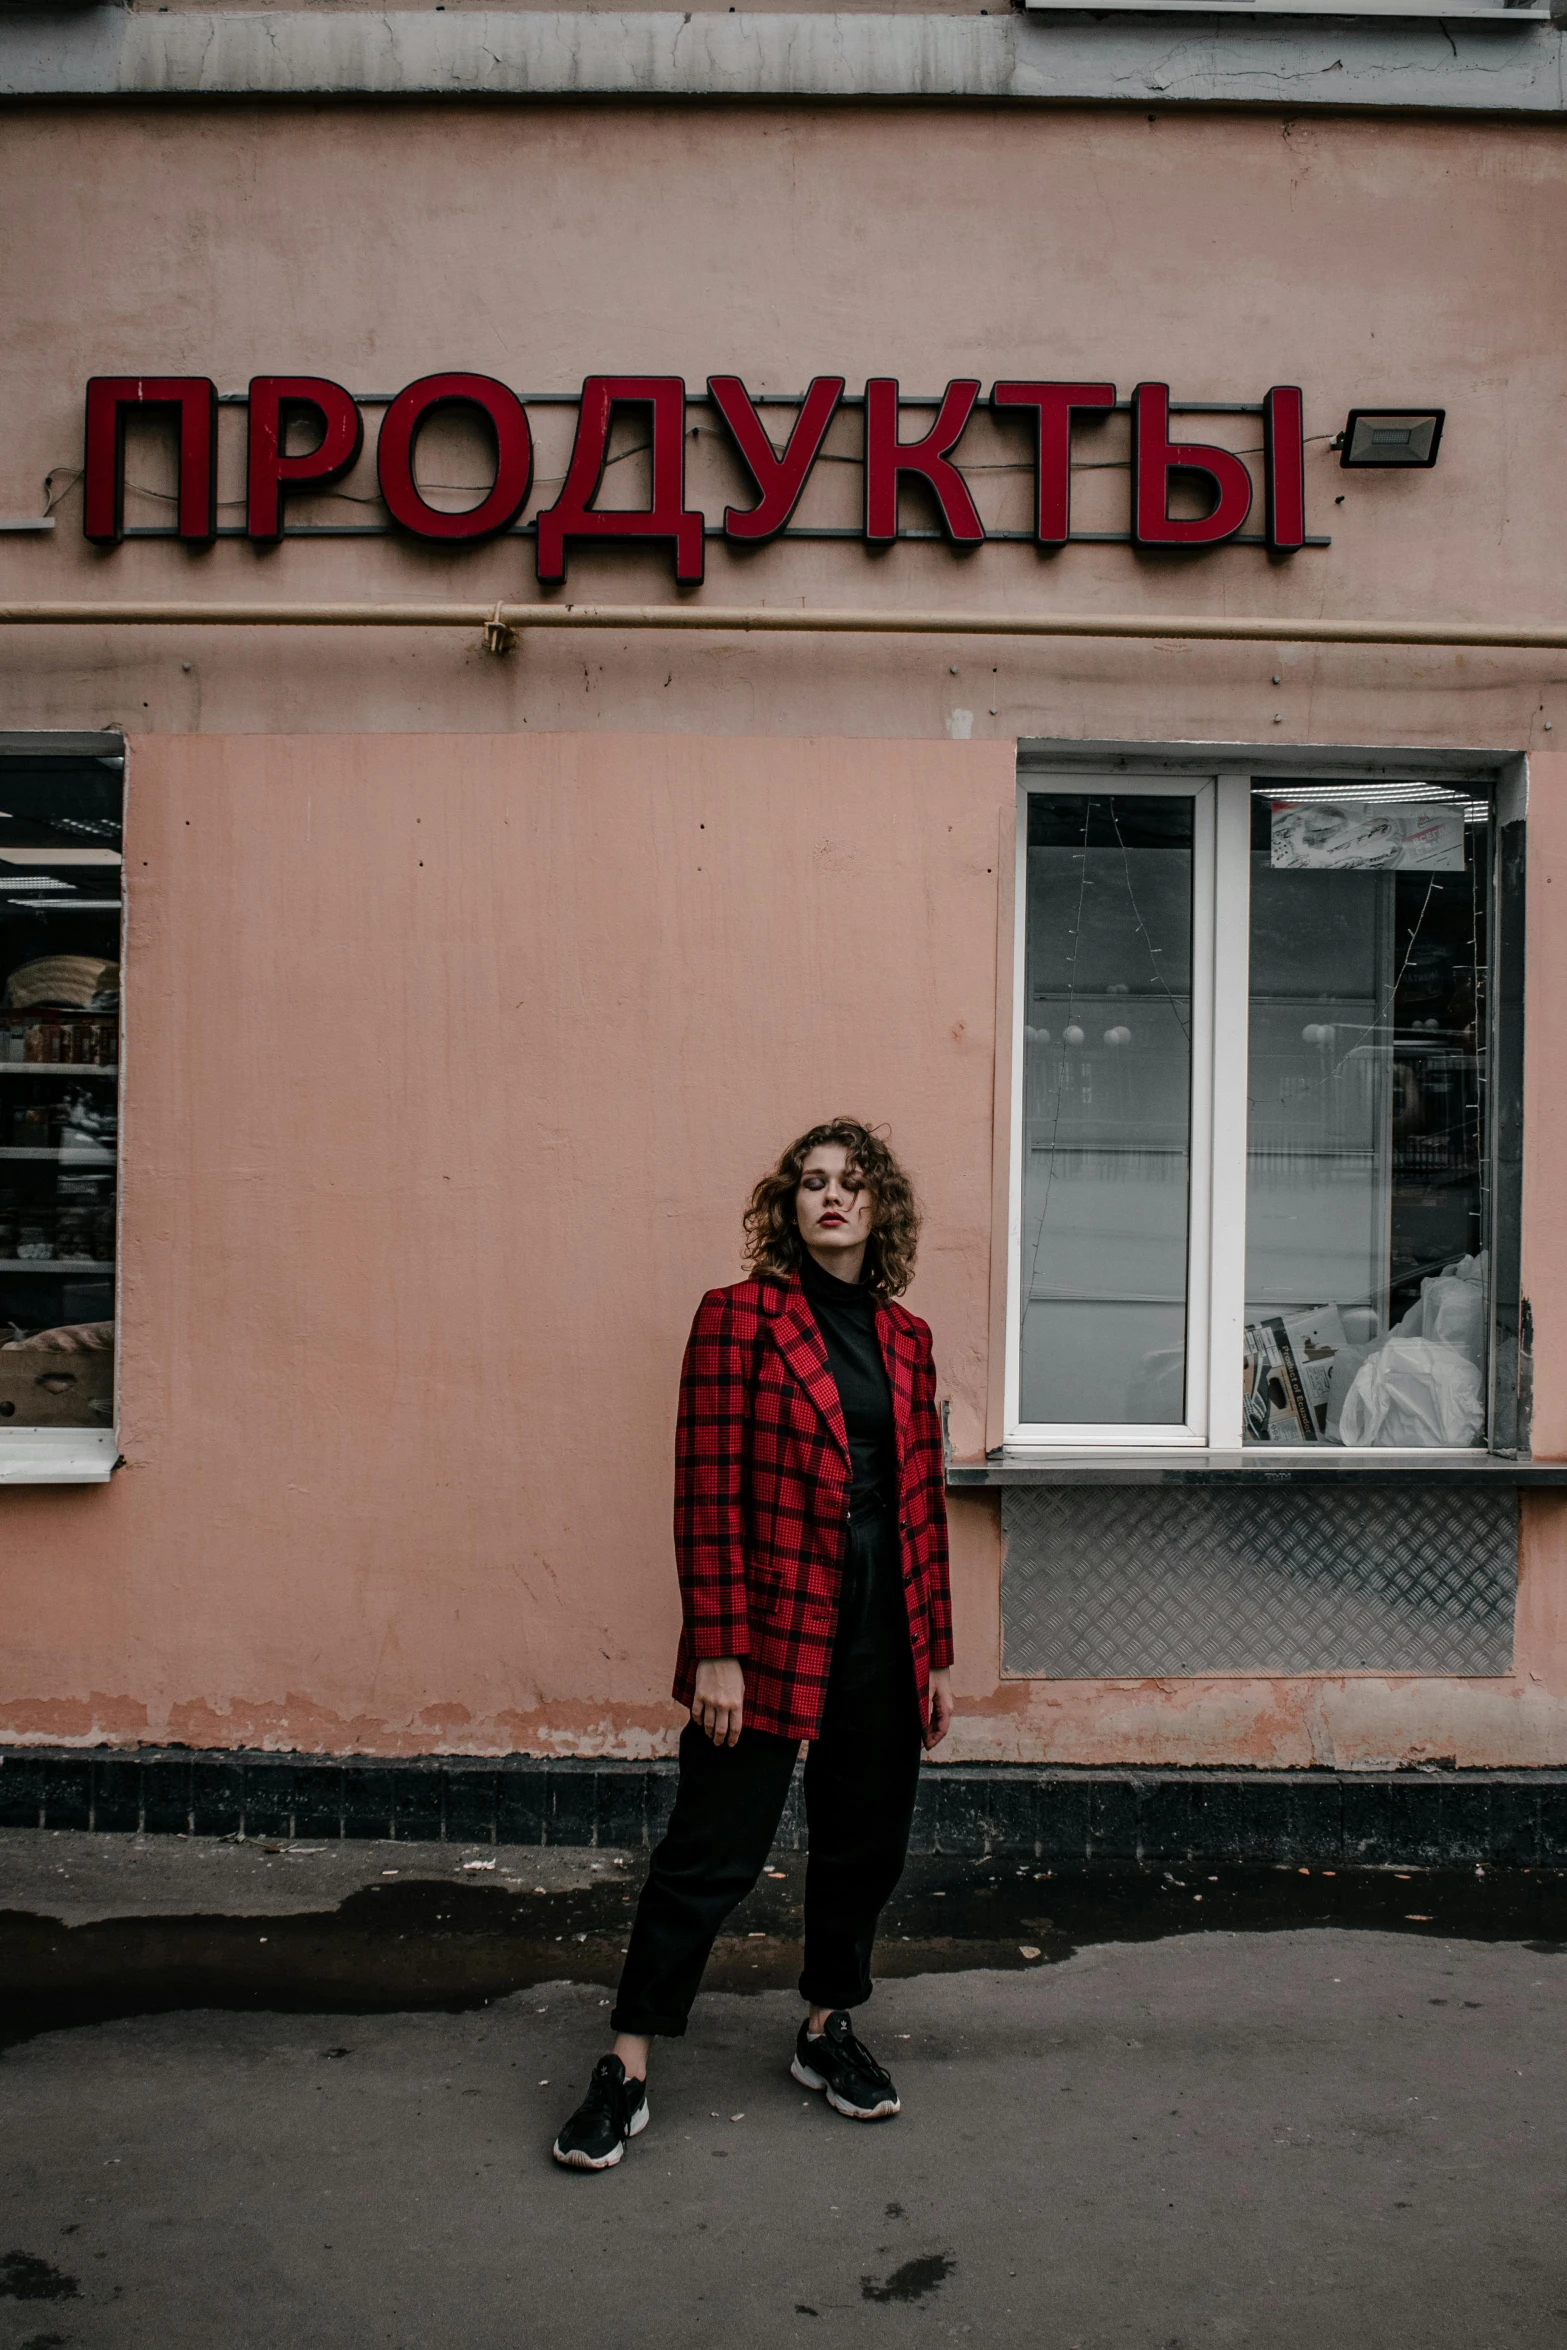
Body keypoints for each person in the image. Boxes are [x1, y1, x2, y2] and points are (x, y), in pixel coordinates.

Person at [552, 1118, 954, 2171]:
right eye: (813, 1182)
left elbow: (923, 1503)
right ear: (789, 1203)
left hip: (883, 1615)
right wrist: (718, 1648)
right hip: (773, 1619)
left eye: (851, 1183)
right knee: (710, 1849)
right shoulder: (737, 1320)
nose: (832, 1197)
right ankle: (626, 2068)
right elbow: (705, 1489)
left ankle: (826, 2029)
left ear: (879, 1208)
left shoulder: (905, 1337)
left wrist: (935, 1654)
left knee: (863, 1839)